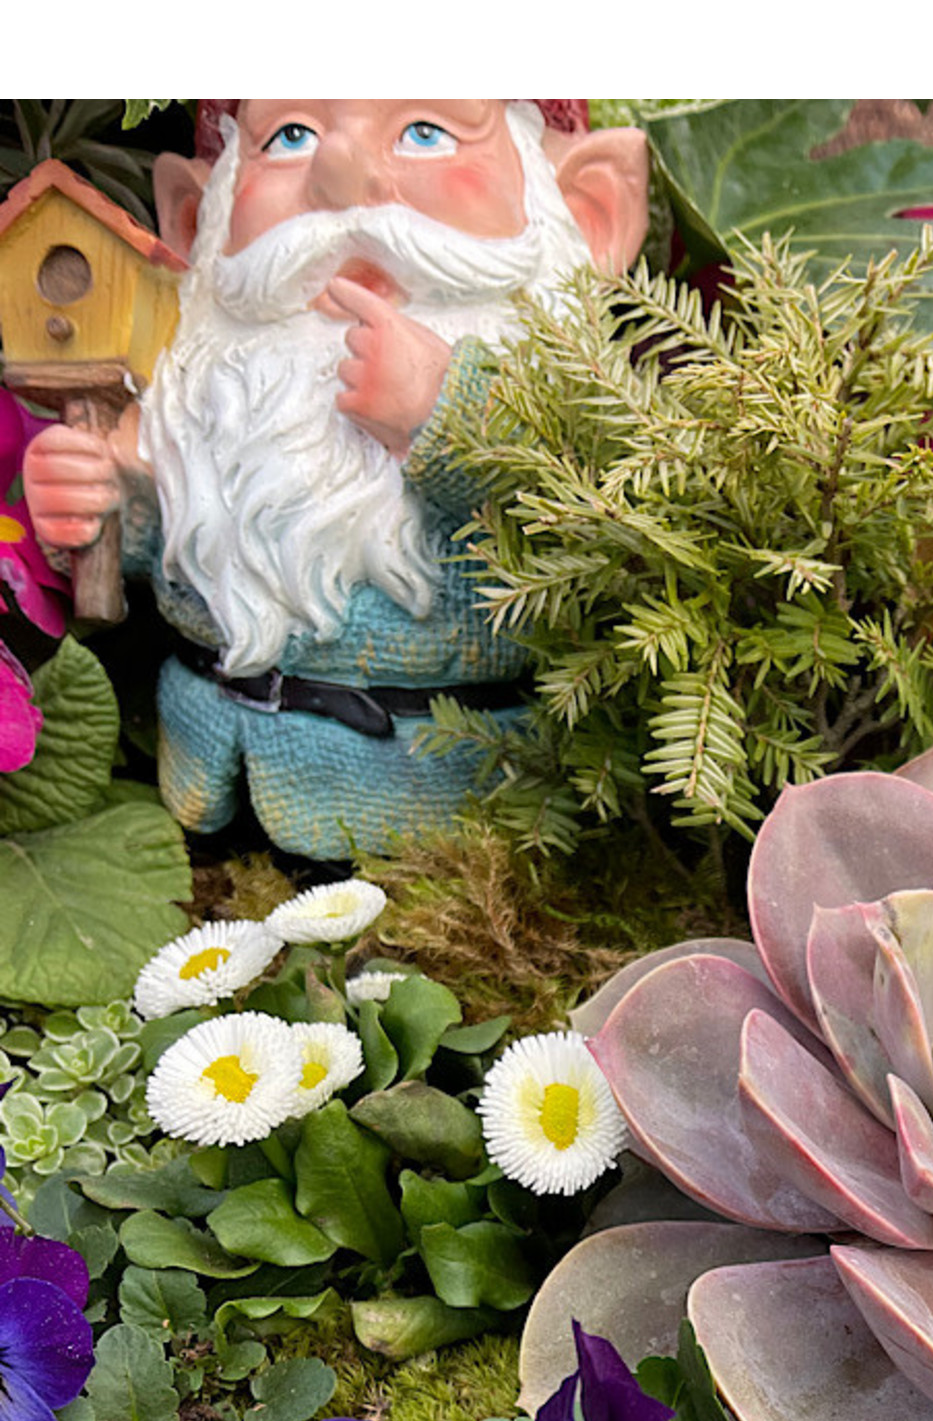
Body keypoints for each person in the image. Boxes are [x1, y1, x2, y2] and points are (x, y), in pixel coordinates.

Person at [22, 99, 649, 859]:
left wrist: (445, 414)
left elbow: (592, 535)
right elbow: (180, 533)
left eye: (427, 131)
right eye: (291, 136)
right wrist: (102, 504)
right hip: (208, 798)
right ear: (195, 222)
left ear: (590, 212)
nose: (341, 177)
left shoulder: (566, 392)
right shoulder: (203, 394)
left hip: (453, 831)